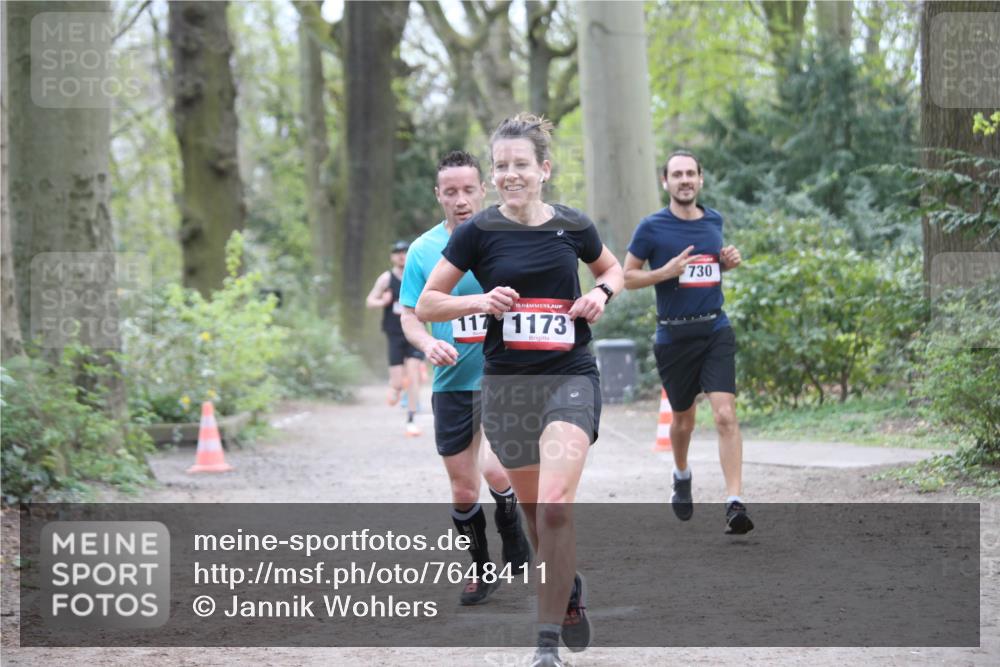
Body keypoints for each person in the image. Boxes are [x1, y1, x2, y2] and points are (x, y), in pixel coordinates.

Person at [416, 114, 624, 667]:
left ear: (544, 170)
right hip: (507, 386)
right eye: (501, 165)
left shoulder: (573, 225)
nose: (510, 174)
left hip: (569, 377)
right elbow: (428, 304)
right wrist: (480, 301)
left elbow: (613, 270)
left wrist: (601, 293)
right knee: (535, 516)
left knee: (555, 505)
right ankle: (568, 587)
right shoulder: (477, 233)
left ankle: (545, 643)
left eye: (521, 165)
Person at [398, 150, 531, 605]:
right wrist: (426, 343)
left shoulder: (510, 237)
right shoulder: (423, 250)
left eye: (468, 190)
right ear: (438, 195)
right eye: (450, 191)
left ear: (483, 190)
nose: (460, 200)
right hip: (453, 381)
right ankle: (480, 566)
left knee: (496, 467)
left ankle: (510, 521)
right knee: (462, 488)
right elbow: (411, 315)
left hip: (504, 376)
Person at [623, 149, 754, 535]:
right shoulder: (651, 227)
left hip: (714, 329)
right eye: (677, 174)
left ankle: (734, 502)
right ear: (665, 182)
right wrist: (664, 272)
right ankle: (681, 474)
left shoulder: (714, 220)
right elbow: (627, 277)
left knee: (725, 415)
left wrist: (726, 262)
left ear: (700, 179)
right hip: (674, 336)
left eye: (690, 174)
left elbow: (709, 267)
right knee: (683, 421)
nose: (684, 180)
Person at [366, 241, 424, 436]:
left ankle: (411, 419)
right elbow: (370, 301)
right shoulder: (386, 278)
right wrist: (382, 301)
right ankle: (397, 387)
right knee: (398, 383)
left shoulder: (417, 275)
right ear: (392, 257)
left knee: (414, 373)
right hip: (394, 333)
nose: (401, 255)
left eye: (405, 252)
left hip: (415, 331)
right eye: (398, 252)